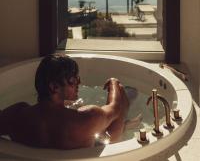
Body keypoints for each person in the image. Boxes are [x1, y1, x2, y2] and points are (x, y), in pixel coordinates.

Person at [0, 54, 130, 149]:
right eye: (73, 80)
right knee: (119, 112)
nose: (79, 83)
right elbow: (116, 107)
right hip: (87, 142)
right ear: (54, 87)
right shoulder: (87, 117)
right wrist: (114, 83)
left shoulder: (16, 114)